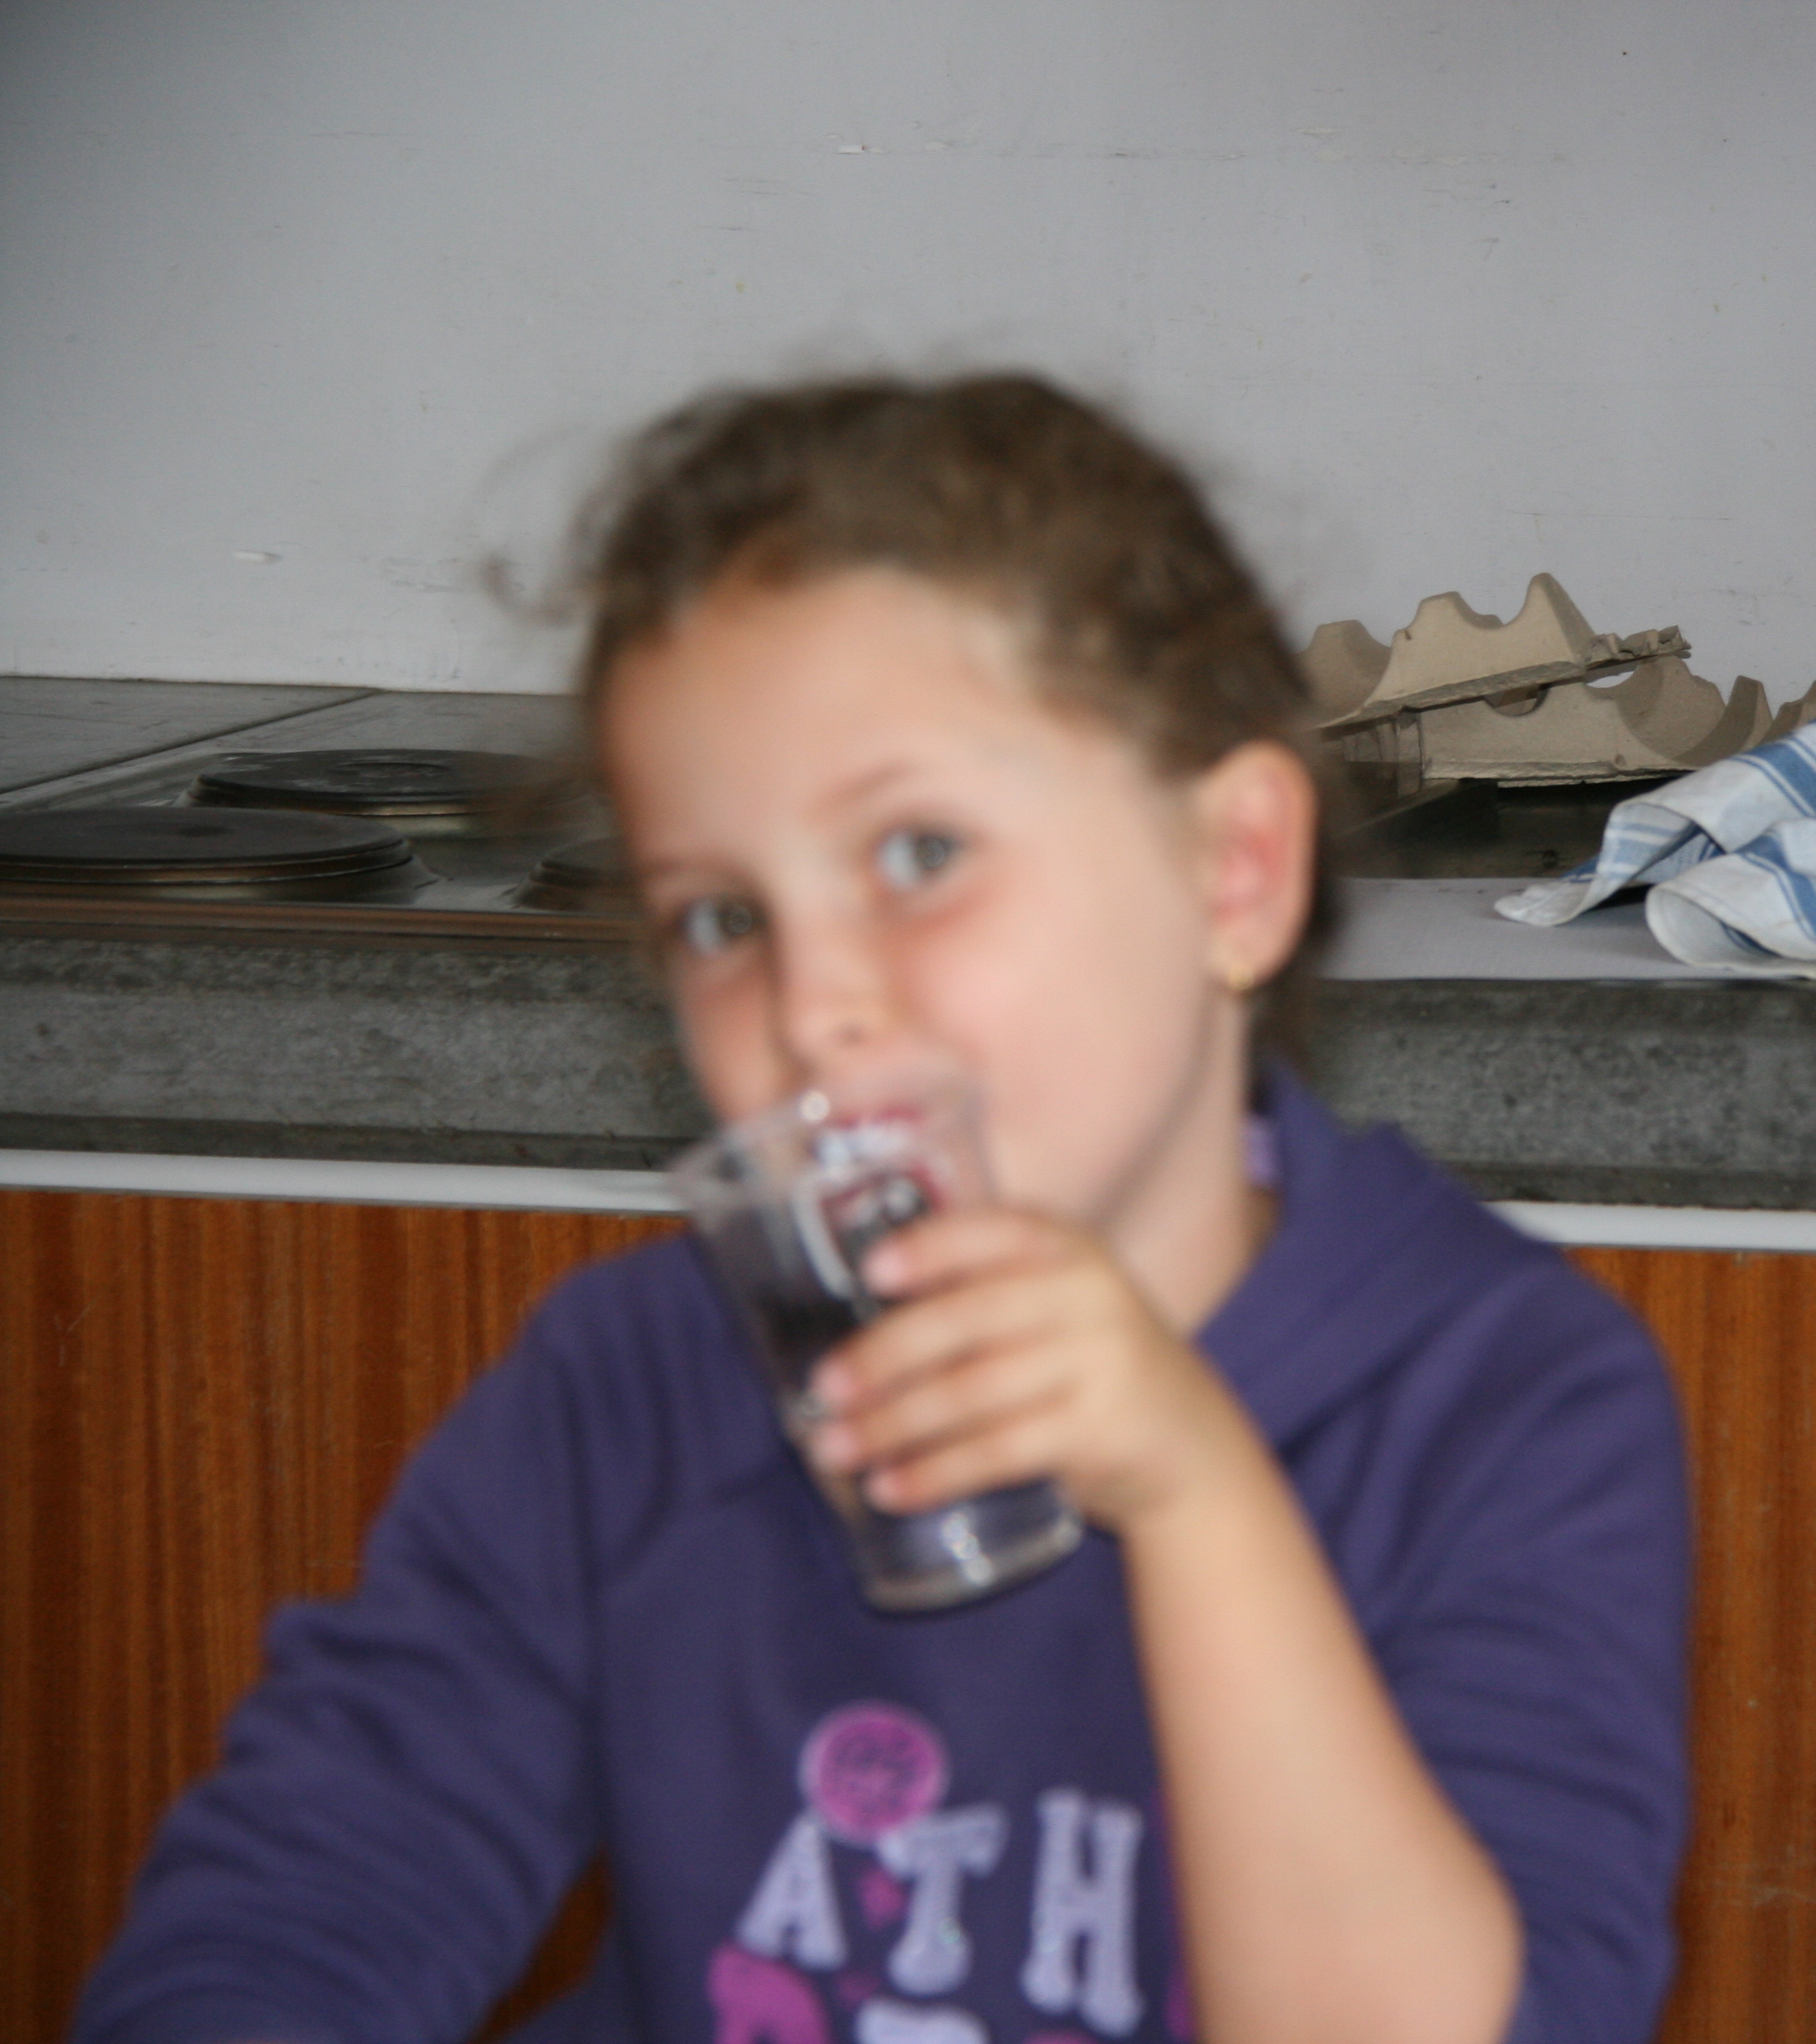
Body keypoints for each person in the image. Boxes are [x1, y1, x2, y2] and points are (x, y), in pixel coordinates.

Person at [73, 378, 1692, 2044]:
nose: (812, 1004)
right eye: (720, 918)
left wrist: (1194, 1490)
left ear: (1234, 874)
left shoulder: (1508, 1404)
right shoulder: (631, 1387)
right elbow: (297, 1911)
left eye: (918, 853)